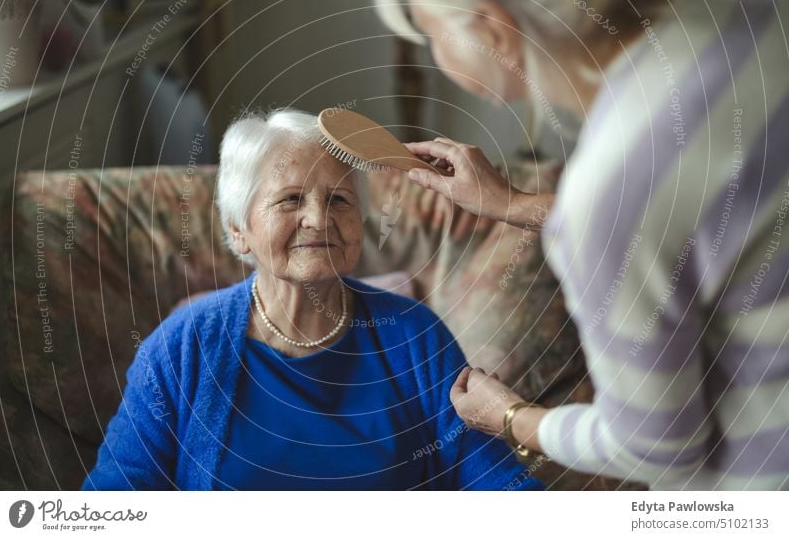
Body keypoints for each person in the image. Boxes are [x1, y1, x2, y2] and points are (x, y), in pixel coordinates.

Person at [374, 0, 789, 490]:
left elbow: (657, 453)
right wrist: (513, 203)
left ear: (492, 30)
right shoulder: (766, 20)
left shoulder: (612, 183)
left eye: (428, 30)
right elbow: (694, 226)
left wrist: (510, 416)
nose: (433, 52)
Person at [81, 108, 543, 491]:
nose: (319, 220)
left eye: (340, 200)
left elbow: (503, 489)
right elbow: (113, 504)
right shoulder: (182, 349)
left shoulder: (414, 336)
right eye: (290, 200)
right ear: (239, 230)